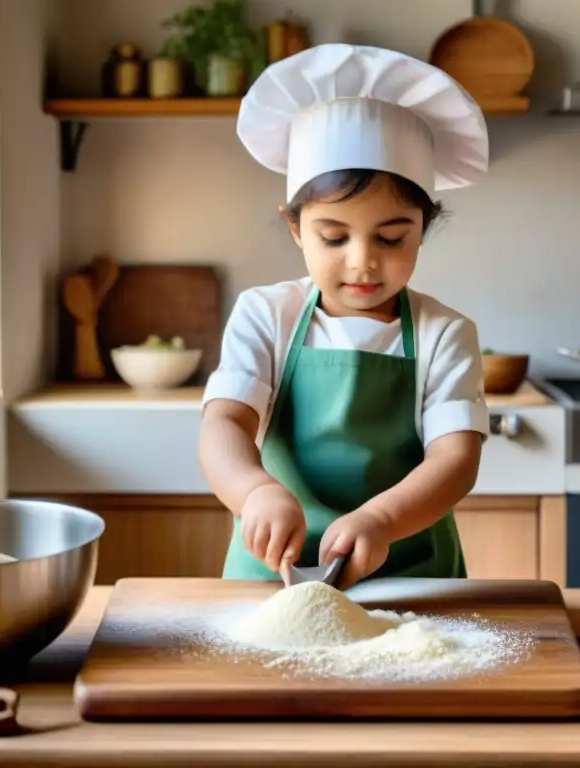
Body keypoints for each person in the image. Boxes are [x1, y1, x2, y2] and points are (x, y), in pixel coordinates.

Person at [199, 43, 490, 590]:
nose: (363, 260)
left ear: (421, 230)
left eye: (391, 236)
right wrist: (254, 492)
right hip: (272, 575)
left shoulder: (444, 334)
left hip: (410, 577)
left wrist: (382, 520)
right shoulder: (267, 314)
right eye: (334, 236)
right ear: (296, 228)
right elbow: (224, 424)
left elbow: (456, 458)